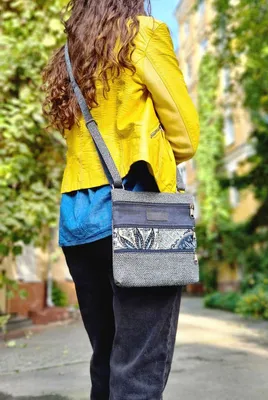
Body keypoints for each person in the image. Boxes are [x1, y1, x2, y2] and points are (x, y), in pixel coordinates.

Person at [42, 0, 200, 399]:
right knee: (138, 369)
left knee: (107, 360)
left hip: (78, 220)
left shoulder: (68, 54)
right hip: (139, 212)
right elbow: (185, 133)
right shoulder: (142, 34)